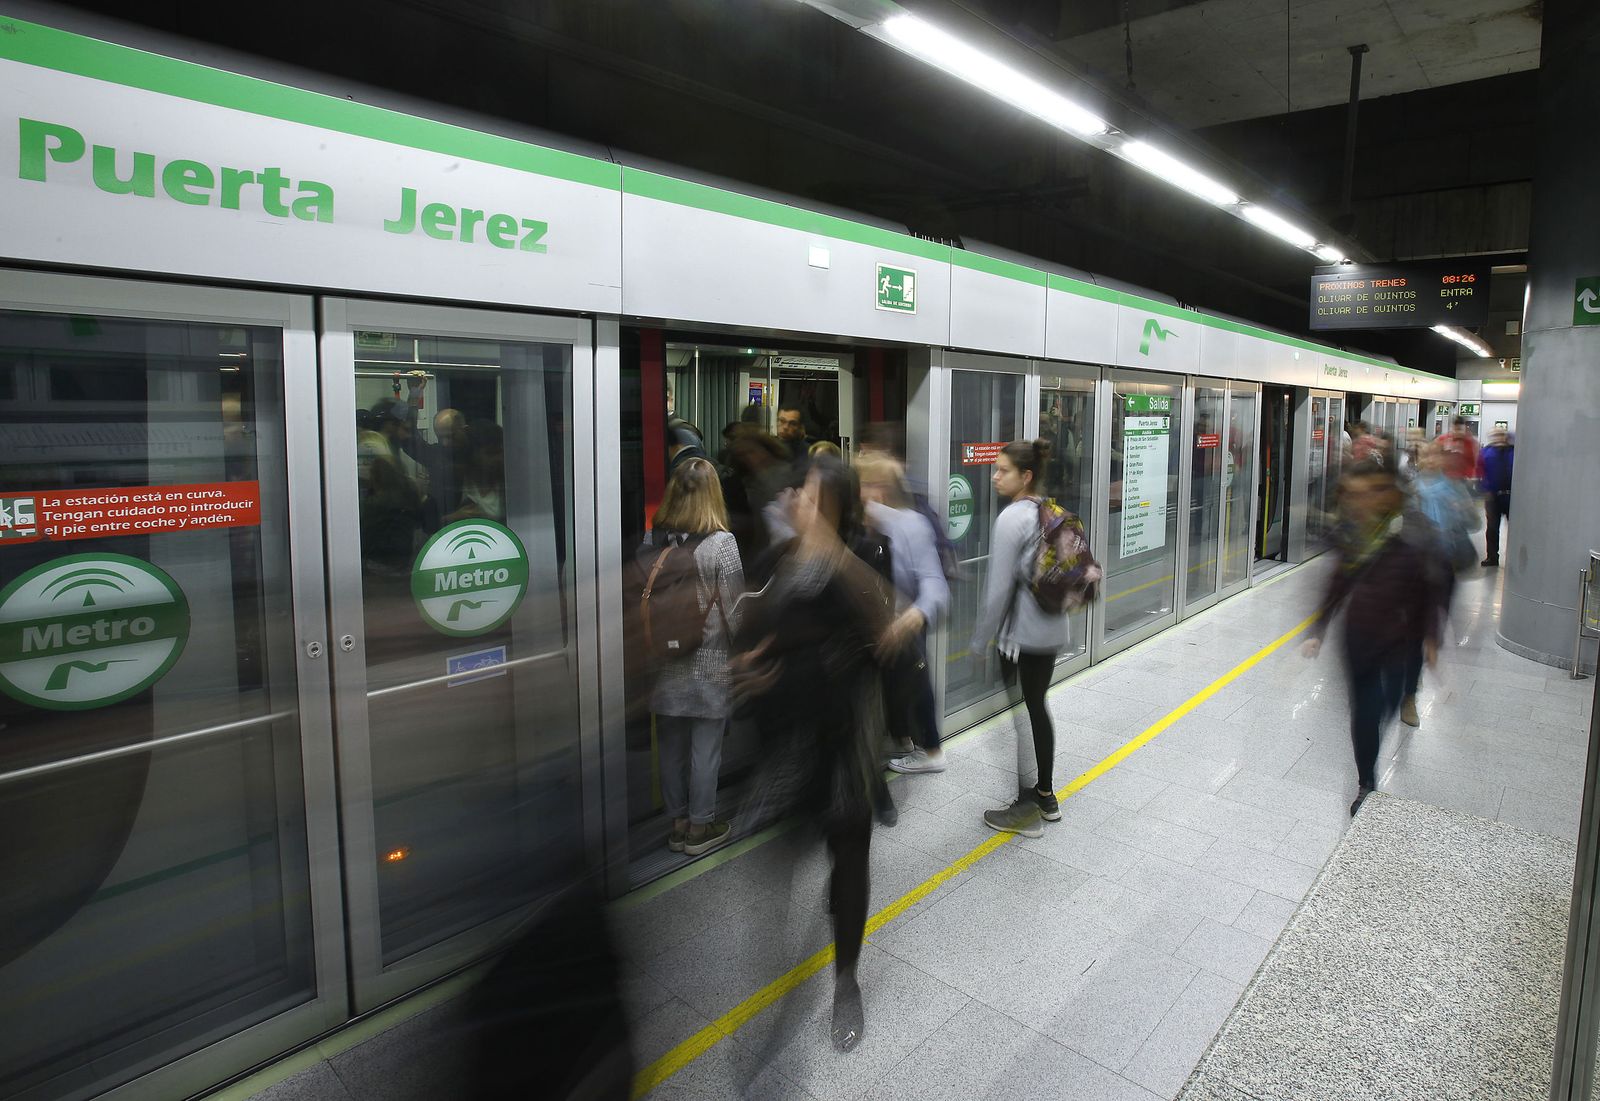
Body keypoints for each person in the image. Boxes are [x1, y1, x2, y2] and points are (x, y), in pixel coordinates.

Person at [732, 456, 891, 1053]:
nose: (798, 498)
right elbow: (750, 628)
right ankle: (774, 978)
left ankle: (846, 980)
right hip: (788, 747)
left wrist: (831, 548)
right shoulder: (776, 560)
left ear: (836, 506)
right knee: (780, 860)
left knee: (848, 862)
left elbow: (884, 627)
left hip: (845, 744)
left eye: (814, 493)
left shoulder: (859, 559)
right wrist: (748, 667)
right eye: (799, 488)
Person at [1303, 461, 1445, 816]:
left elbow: (1429, 593)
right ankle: (1366, 781)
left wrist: (1430, 638)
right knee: (1365, 714)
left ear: (1390, 495)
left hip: (1400, 644)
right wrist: (1318, 630)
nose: (1360, 502)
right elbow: (1338, 583)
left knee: (1385, 706)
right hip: (1359, 639)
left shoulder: (1412, 536)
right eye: (1354, 495)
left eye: (1370, 493)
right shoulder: (1353, 538)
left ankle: (1401, 703)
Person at [640, 457, 745, 856]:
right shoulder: (722, 543)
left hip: (662, 663)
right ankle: (700, 829)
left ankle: (677, 824)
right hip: (709, 662)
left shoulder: (654, 538)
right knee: (706, 749)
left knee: (670, 748)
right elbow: (735, 609)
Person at [970, 439, 1070, 837]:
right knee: (1036, 709)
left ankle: (1027, 809)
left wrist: (979, 640)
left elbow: (997, 591)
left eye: (1003, 470)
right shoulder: (1052, 510)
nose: (994, 476)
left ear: (1025, 476)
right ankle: (1045, 796)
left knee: (1023, 719)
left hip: (1020, 637)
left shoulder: (1012, 518)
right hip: (1050, 629)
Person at [856, 454, 950, 774]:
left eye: (870, 484)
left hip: (904, 622)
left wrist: (915, 615)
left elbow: (934, 584)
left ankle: (930, 750)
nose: (866, 493)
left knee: (915, 680)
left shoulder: (909, 524)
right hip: (876, 626)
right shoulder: (862, 524)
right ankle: (904, 740)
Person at [1403, 443, 1478, 727]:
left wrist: (1461, 510)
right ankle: (1409, 696)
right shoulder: (1410, 491)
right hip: (1416, 570)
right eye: (1426, 455)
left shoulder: (1455, 488)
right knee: (1416, 632)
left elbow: (1474, 522)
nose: (1431, 459)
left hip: (1445, 569)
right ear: (1419, 460)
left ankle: (1423, 660)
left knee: (1434, 630)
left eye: (1435, 454)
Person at [1477, 427, 1514, 567]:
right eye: (1495, 435)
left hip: (1511, 496)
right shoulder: (1485, 452)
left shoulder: (1514, 451)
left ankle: (1513, 556)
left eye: (1501, 434)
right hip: (1493, 496)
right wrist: (1484, 489)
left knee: (1514, 528)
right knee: (1492, 528)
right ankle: (1492, 557)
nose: (1498, 437)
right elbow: (1480, 471)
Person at [1439, 416, 1481, 483]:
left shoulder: (1471, 442)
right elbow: (1437, 457)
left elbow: (1474, 462)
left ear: (1465, 429)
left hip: (1464, 478)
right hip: (1445, 477)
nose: (1457, 432)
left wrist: (1471, 477)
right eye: (1455, 429)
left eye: (1460, 429)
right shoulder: (1444, 439)